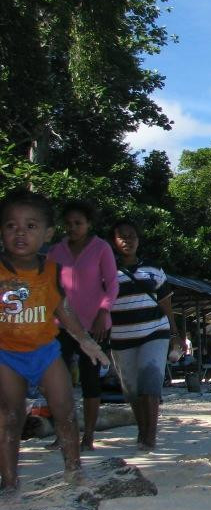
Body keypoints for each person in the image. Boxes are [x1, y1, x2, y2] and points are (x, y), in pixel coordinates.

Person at [0, 190, 109, 491]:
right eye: (11, 226)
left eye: (31, 226)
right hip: (6, 355)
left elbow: (64, 309)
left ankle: (74, 471)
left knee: (64, 410)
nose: (20, 232)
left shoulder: (51, 270)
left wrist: (86, 341)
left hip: (46, 353)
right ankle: (9, 482)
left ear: (47, 233)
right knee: (8, 418)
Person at [45, 199, 119, 450]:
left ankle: (88, 436)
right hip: (61, 324)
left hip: (93, 325)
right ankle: (63, 434)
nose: (73, 227)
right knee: (59, 381)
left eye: (78, 223)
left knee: (90, 381)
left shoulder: (101, 248)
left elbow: (112, 284)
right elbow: (49, 286)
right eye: (68, 224)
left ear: (88, 224)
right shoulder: (56, 251)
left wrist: (103, 311)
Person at [109, 218, 182, 451]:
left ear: (138, 240)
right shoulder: (106, 272)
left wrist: (175, 333)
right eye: (122, 236)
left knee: (151, 383)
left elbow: (166, 304)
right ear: (114, 241)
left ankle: (150, 437)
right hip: (121, 338)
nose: (127, 240)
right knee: (132, 390)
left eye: (132, 236)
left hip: (154, 332)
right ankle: (142, 431)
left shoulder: (153, 269)